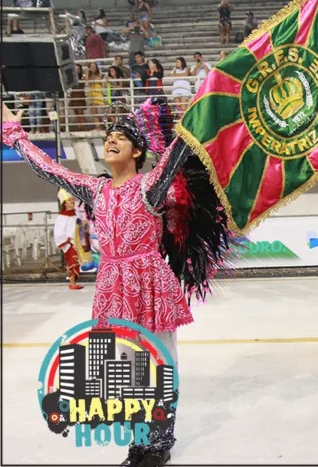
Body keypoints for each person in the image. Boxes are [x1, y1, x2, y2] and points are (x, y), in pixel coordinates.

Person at [2, 98, 230, 467]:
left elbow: (179, 150)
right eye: (108, 136)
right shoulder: (94, 190)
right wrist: (14, 136)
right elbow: (49, 170)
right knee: (125, 370)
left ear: (137, 150)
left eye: (120, 137)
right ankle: (138, 444)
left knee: (160, 363)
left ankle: (160, 445)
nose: (110, 140)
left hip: (148, 282)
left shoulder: (150, 187)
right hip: (112, 285)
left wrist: (206, 100)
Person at [54, 189, 87, 290]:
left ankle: (74, 281)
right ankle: (72, 283)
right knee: (72, 261)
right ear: (65, 204)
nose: (72, 201)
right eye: (69, 200)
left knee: (76, 262)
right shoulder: (61, 217)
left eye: (72, 200)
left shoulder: (76, 215)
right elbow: (58, 231)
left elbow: (80, 226)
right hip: (69, 243)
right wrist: (68, 240)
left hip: (77, 242)